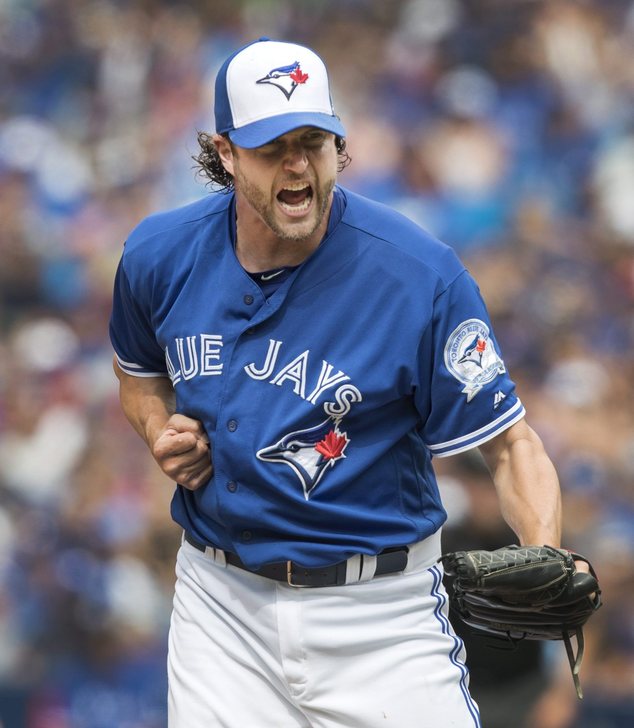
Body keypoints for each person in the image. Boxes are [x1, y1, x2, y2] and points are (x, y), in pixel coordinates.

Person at [109, 37, 563, 728]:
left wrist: (546, 552)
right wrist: (156, 429)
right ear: (225, 153)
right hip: (221, 606)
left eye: (314, 142)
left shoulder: (418, 276)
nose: (298, 166)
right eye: (272, 147)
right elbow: (138, 375)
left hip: (380, 617)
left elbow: (511, 446)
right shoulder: (157, 255)